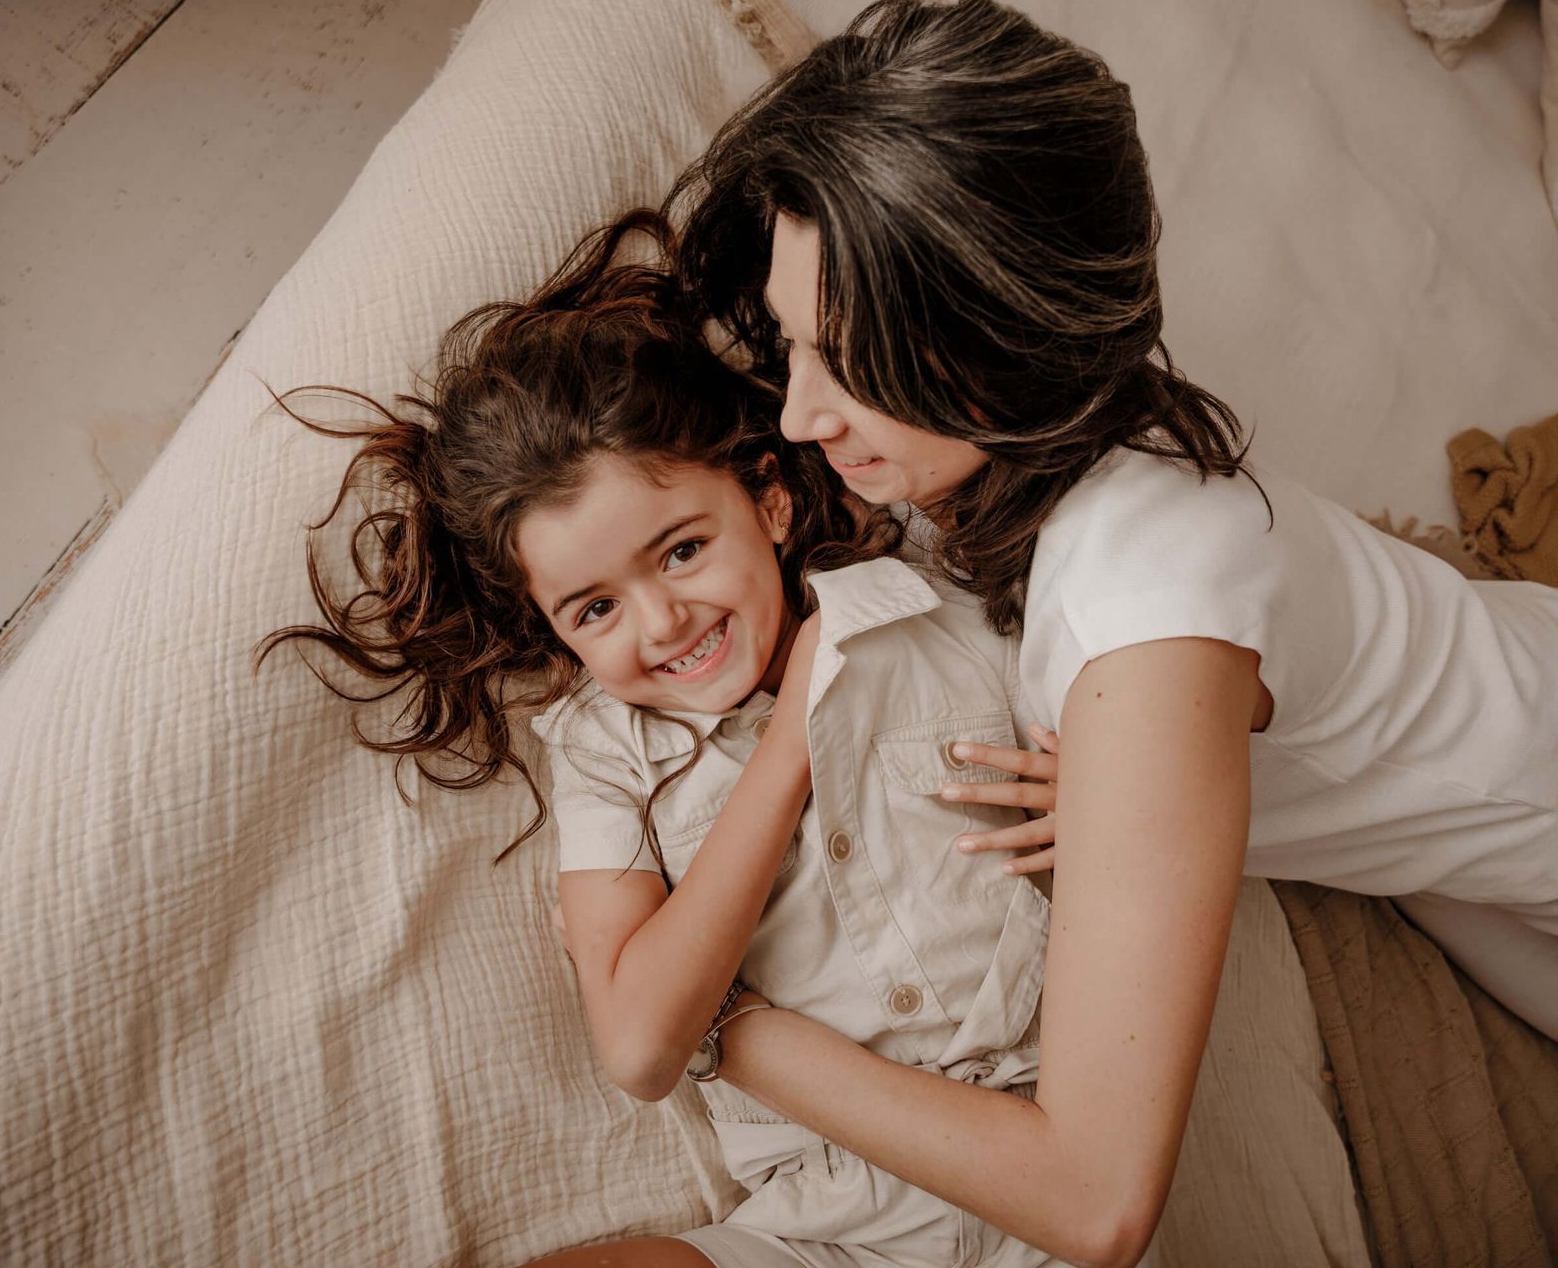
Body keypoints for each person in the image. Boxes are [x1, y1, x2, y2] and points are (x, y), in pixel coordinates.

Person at [653, 0, 1558, 1265]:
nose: (799, 415)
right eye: (797, 345)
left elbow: (1096, 1197)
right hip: (1452, 808)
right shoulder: (1018, 445)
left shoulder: (1149, 609)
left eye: (847, 361)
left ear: (1004, 345)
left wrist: (728, 1026)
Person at [258, 211, 1096, 1268]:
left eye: (684, 549)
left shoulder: (932, 607)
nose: (662, 622)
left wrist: (1103, 802)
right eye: (595, 608)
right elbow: (643, 1046)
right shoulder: (604, 756)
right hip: (822, 1227)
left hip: (1040, 1159)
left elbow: (1174, 734)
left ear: (771, 498)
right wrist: (790, 748)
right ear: (554, 630)